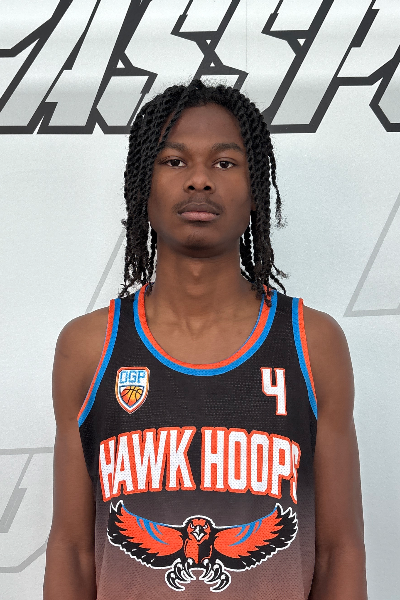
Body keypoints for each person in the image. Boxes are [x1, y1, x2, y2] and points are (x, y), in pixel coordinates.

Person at [43, 80, 367, 600]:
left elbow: (339, 552)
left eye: (224, 162)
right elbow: (72, 551)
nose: (199, 180)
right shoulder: (89, 346)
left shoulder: (312, 343)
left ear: (255, 190)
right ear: (142, 186)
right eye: (174, 161)